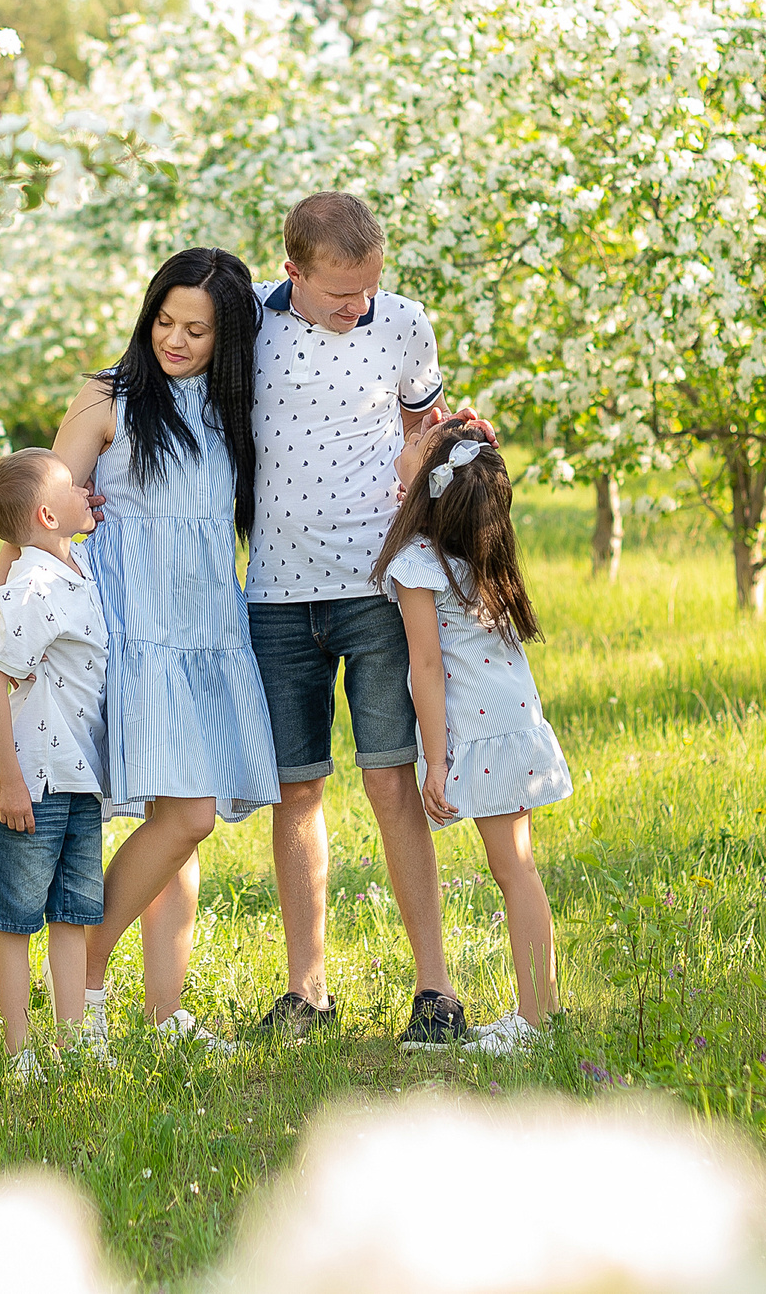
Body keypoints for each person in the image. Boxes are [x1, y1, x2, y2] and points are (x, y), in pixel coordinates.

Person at [0, 248, 276, 1052]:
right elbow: (39, 506)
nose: (174, 340)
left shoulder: (231, 407)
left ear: (228, 338)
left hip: (205, 629)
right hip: (128, 632)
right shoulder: (108, 398)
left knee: (174, 824)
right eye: (164, 322)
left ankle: (163, 1010)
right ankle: (88, 967)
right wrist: (1, 595)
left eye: (197, 331)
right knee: (187, 817)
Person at [245, 191, 474, 1048]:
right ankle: (306, 993)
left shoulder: (405, 322)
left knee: (389, 782)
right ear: (293, 272)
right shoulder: (250, 323)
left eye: (370, 288)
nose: (359, 306)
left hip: (380, 589)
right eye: (342, 294)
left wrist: (458, 448)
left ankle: (435, 991)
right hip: (276, 595)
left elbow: (425, 431)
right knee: (298, 789)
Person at [374, 418, 574, 1055]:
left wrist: (436, 764)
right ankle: (540, 1012)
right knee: (518, 866)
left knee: (513, 869)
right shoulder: (473, 556)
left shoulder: (418, 563)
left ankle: (535, 1022)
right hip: (514, 719)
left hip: (488, 731)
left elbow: (426, 667)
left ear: (430, 487)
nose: (403, 444)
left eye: (413, 445)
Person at [0, 447, 109, 1083]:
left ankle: (73, 1043)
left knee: (74, 915)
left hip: (78, 779)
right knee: (18, 919)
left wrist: (74, 518)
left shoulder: (69, 567)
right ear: (48, 515)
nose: (88, 489)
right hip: (34, 784)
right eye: (73, 486)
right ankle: (19, 1050)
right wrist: (12, 784)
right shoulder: (35, 587)